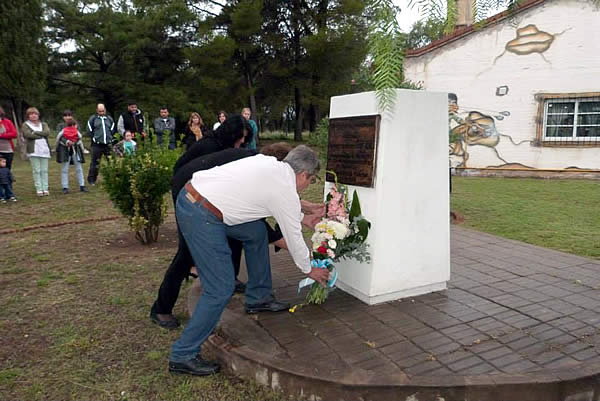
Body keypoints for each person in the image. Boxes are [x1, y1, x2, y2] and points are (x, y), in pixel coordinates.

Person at [167, 145, 328, 376]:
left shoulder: (271, 165)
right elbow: (293, 235)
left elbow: (276, 203)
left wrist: (304, 218)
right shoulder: (283, 187)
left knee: (256, 232)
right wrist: (309, 268)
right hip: (201, 213)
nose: (307, 186)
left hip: (196, 197)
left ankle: (258, 297)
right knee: (220, 288)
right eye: (311, 181)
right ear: (303, 175)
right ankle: (183, 355)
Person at [150, 115, 252, 329]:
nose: (242, 142)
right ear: (231, 134)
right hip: (187, 197)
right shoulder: (208, 146)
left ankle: (229, 278)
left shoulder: (224, 148)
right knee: (186, 253)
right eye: (240, 138)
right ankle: (161, 308)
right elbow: (181, 170)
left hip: (209, 198)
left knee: (233, 236)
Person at [21, 107, 51, 196]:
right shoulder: (25, 124)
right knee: (36, 170)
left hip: (44, 149)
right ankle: (39, 188)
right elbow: (27, 134)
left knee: (44, 170)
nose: (33, 115)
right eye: (31, 114)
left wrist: (35, 132)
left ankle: (45, 188)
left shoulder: (44, 124)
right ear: (28, 116)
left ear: (38, 115)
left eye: (35, 114)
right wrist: (40, 135)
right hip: (33, 150)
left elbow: (47, 132)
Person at [56, 117, 88, 194]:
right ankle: (65, 187)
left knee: (78, 168)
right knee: (65, 169)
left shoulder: (74, 131)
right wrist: (67, 142)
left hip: (75, 150)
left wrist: (74, 142)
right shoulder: (64, 131)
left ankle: (82, 185)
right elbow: (59, 138)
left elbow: (79, 138)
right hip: (65, 151)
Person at [86, 103, 115, 186]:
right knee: (95, 163)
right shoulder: (93, 119)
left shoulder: (109, 119)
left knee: (111, 162)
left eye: (103, 111)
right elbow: (89, 129)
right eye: (100, 111)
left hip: (108, 144)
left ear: (105, 110)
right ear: (97, 111)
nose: (101, 113)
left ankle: (113, 178)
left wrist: (110, 138)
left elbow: (112, 129)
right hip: (97, 145)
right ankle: (92, 180)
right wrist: (94, 138)